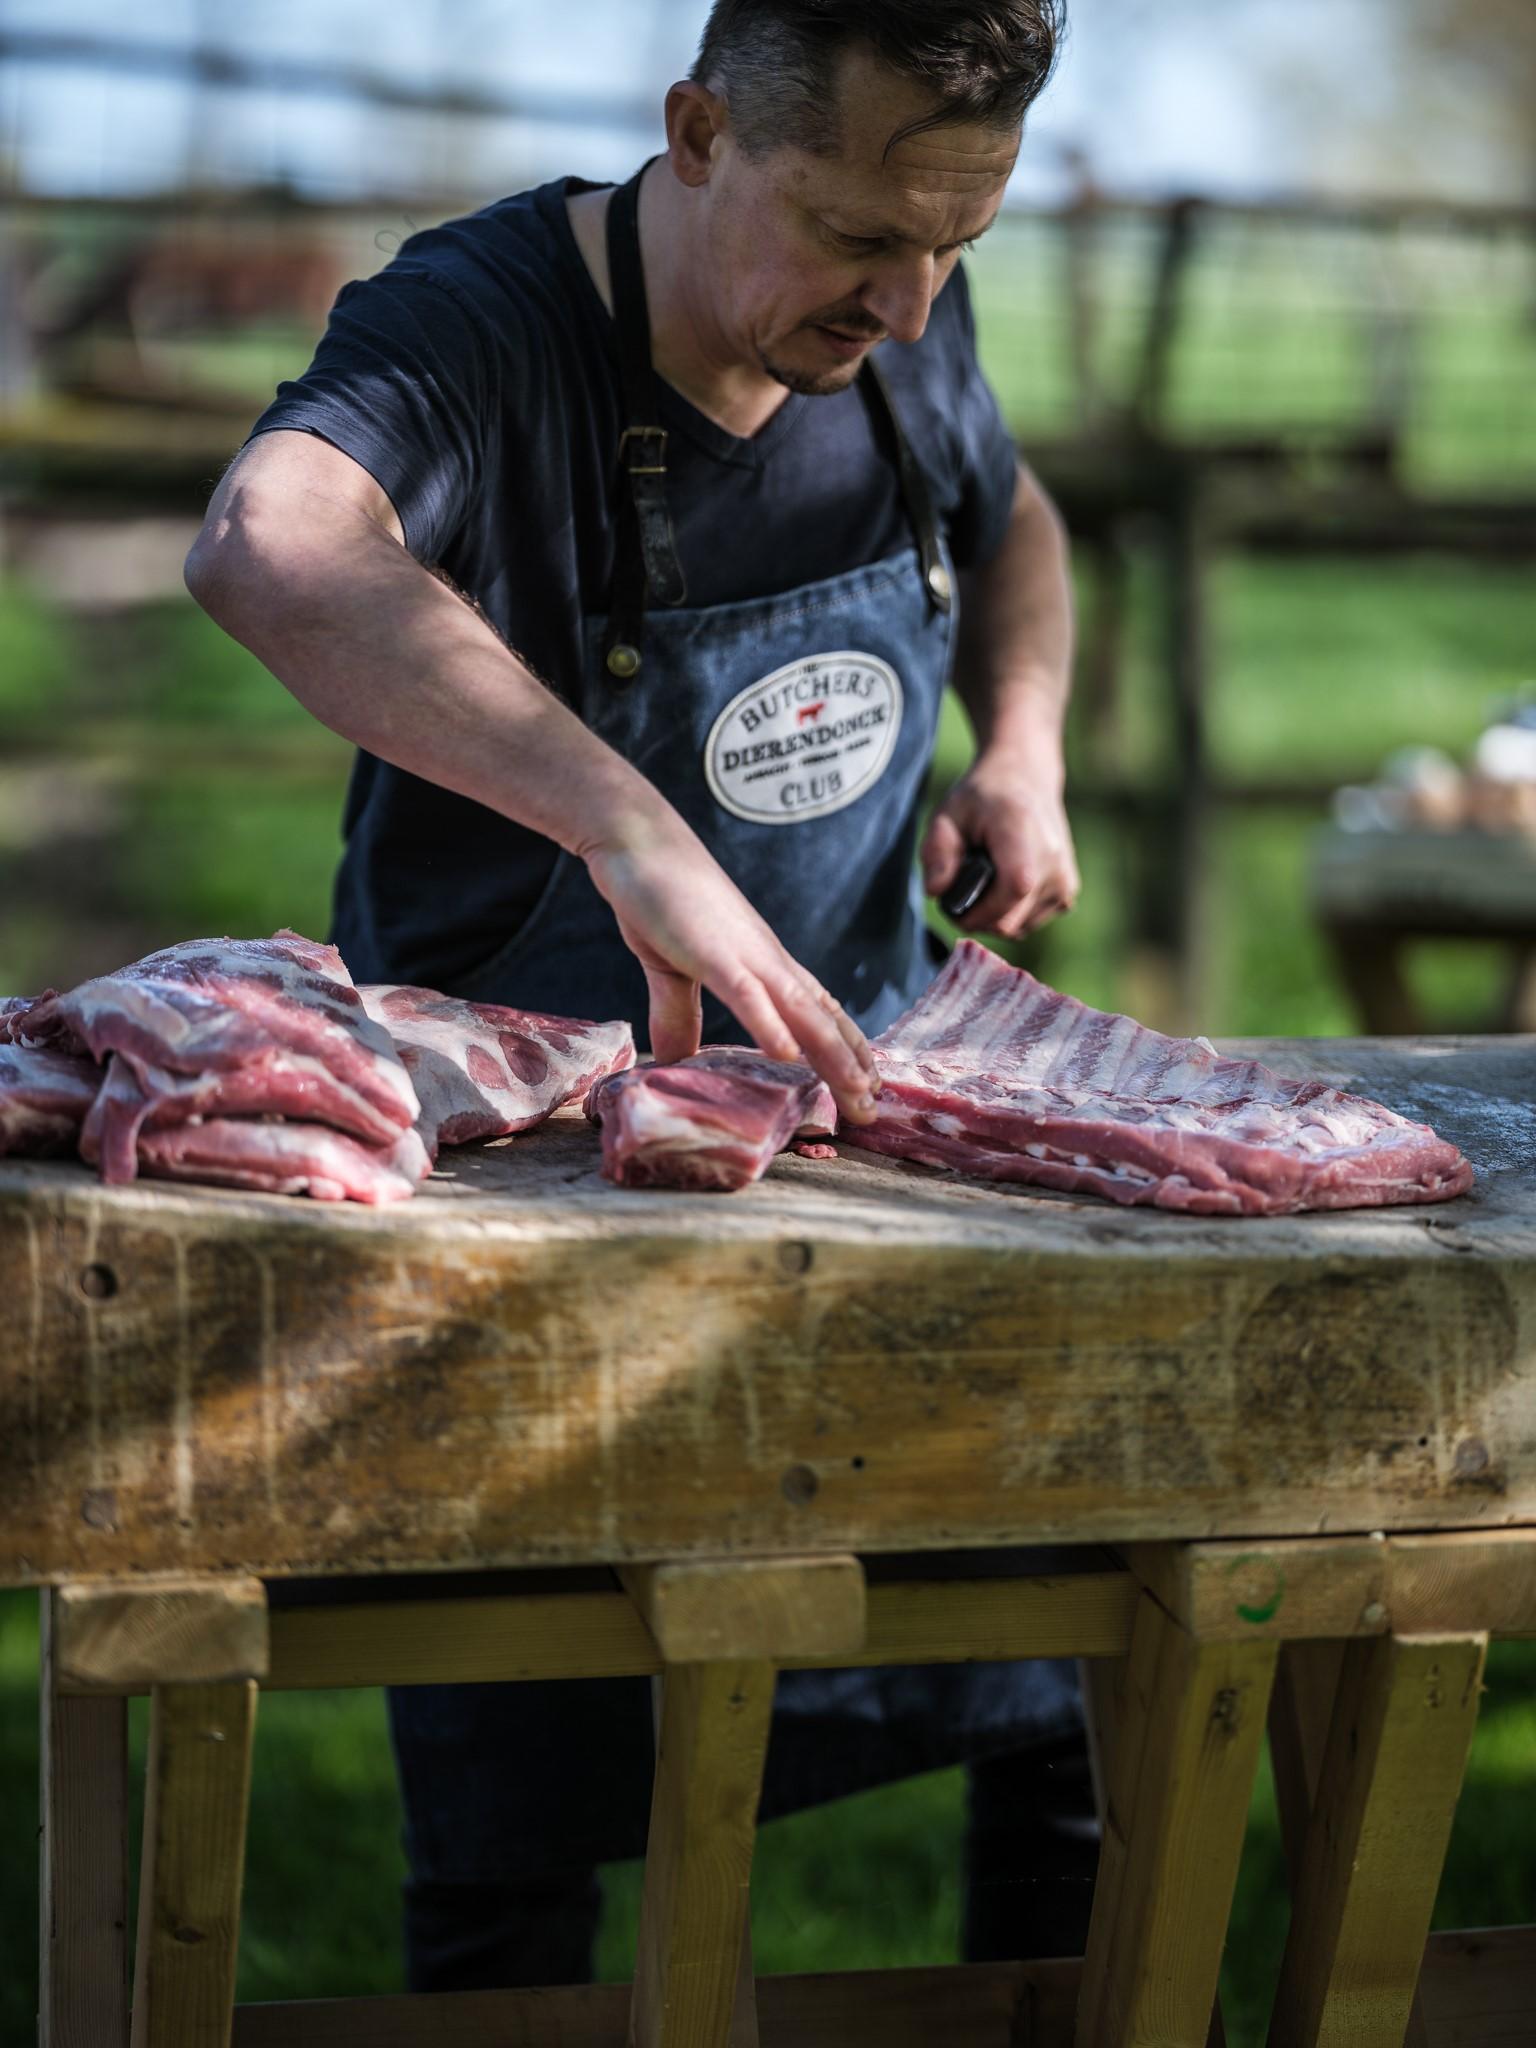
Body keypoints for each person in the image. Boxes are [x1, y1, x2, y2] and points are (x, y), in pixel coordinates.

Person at [187, 0, 1090, 1991]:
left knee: (1060, 1692)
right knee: (522, 1815)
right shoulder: (484, 324)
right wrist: (623, 817)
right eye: (858, 234)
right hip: (541, 1198)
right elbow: (265, 544)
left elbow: (1013, 523)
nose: (910, 298)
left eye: (958, 243)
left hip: (874, 1160)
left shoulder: (907, 323)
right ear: (696, 129)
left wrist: (1019, 744)